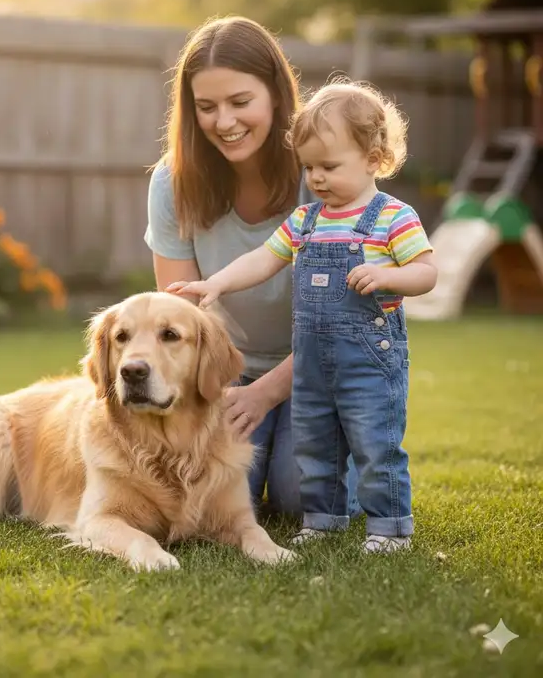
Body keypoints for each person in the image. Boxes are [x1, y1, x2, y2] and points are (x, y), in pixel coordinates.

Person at [168, 80, 437, 553]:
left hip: (368, 364)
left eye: (329, 166)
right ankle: (324, 517)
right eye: (309, 166)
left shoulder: (394, 217)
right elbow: (262, 260)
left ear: (373, 159)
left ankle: (391, 526)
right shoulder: (305, 220)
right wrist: (216, 284)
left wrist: (388, 276)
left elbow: (427, 272)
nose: (316, 177)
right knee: (315, 443)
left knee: (375, 443)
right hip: (310, 364)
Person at [143, 15, 360, 519]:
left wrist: (266, 393)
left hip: (323, 366)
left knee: (296, 495)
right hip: (226, 374)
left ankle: (355, 444)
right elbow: (182, 317)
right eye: (207, 107)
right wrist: (221, 392)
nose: (224, 121)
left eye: (241, 102)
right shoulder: (172, 183)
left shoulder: (323, 176)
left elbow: (340, 321)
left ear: (276, 96)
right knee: (210, 490)